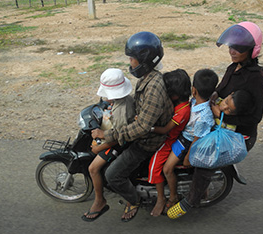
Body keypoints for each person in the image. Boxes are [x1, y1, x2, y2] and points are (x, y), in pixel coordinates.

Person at [167, 21, 263, 219]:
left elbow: (255, 117)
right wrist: (209, 97)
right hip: (221, 123)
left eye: (238, 48)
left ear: (252, 50)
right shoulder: (234, 67)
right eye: (231, 47)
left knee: (204, 158)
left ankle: (190, 200)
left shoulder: (256, 79)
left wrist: (220, 114)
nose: (232, 51)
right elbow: (221, 90)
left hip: (238, 133)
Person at [91, 31, 174, 222]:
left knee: (113, 175)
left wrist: (108, 135)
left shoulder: (154, 88)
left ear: (144, 60)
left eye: (132, 58)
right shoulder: (148, 77)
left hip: (147, 141)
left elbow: (142, 128)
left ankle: (134, 200)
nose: (130, 62)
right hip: (142, 131)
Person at [161, 69, 218, 216]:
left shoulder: (203, 116)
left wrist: (188, 157)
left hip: (187, 141)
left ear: (194, 90)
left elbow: (196, 140)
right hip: (186, 137)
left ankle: (173, 196)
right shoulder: (196, 102)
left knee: (167, 169)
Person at [81, 68, 136, 222]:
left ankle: (99, 201)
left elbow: (118, 138)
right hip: (116, 136)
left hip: (118, 144)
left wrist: (99, 147)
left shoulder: (120, 112)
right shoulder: (125, 99)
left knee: (93, 168)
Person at [147, 69, 192, 217]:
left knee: (155, 167)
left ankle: (165, 197)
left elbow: (166, 129)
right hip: (170, 136)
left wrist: (149, 127)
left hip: (169, 140)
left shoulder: (182, 112)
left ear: (174, 95)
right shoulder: (184, 104)